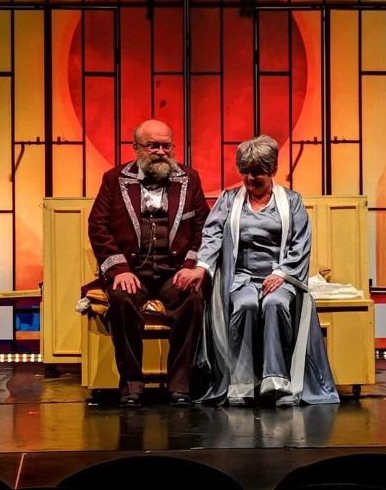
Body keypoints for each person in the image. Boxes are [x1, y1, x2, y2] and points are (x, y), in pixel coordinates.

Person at [187, 135, 339, 406]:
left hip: (279, 276)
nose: (250, 178)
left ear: (272, 171)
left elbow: (301, 242)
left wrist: (281, 274)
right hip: (241, 278)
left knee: (274, 304)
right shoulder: (229, 200)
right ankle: (242, 383)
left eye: (257, 172)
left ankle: (277, 382)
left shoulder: (291, 201)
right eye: (245, 172)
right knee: (245, 305)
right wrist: (203, 267)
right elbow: (212, 235)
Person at [88, 119, 210, 407]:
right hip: (132, 271)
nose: (160, 152)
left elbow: (203, 228)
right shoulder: (114, 178)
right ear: (137, 148)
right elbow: (98, 226)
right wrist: (119, 270)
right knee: (121, 299)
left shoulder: (189, 178)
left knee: (192, 300)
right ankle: (132, 383)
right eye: (153, 146)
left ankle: (179, 384)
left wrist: (190, 266)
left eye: (166, 146)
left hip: (174, 272)